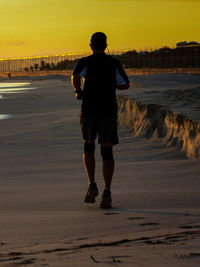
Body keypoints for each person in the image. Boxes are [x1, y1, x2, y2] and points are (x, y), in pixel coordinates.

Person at [71, 32, 129, 209]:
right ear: (106, 45)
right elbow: (126, 84)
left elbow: (74, 77)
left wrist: (79, 91)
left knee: (88, 146)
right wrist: (115, 86)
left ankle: (92, 184)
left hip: (89, 110)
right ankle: (107, 190)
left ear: (90, 45)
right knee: (107, 151)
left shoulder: (84, 62)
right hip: (108, 111)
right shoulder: (113, 63)